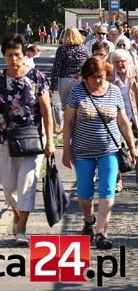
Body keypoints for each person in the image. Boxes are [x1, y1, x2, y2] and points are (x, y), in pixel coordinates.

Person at [0, 34, 55, 247]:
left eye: (17, 54)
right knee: (8, 185)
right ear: (4, 56)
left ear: (24, 54)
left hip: (32, 139)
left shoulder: (37, 78)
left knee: (27, 184)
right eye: (9, 55)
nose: (14, 59)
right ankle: (17, 213)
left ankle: (21, 229)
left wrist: (51, 141)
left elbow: (46, 110)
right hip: (5, 139)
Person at [62, 57, 138, 249]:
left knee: (107, 190)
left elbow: (123, 122)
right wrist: (65, 149)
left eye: (101, 76)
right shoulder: (77, 91)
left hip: (109, 151)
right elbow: (69, 122)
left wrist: (132, 147)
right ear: (86, 76)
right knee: (84, 194)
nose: (98, 80)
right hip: (82, 152)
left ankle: (101, 232)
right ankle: (89, 220)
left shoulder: (113, 91)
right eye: (94, 77)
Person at [109, 49, 138, 193]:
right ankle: (118, 180)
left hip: (135, 116)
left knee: (136, 150)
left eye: (123, 61)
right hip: (116, 119)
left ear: (129, 61)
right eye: (117, 62)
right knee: (117, 150)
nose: (121, 64)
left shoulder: (136, 73)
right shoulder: (109, 76)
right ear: (113, 64)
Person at [50, 27, 89, 109]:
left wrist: (52, 87)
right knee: (80, 107)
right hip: (79, 79)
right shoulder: (84, 49)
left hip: (64, 80)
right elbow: (88, 66)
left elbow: (56, 68)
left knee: (66, 108)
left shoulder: (62, 50)